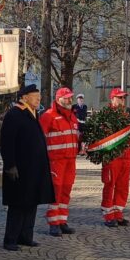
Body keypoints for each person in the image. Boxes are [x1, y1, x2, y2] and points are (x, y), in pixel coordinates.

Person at [0, 84, 55, 251]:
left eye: (39, 96)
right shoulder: (14, 114)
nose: (39, 99)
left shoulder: (32, 113)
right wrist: (10, 165)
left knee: (31, 203)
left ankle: (26, 236)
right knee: (18, 204)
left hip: (34, 169)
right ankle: (11, 239)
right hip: (20, 169)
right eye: (35, 96)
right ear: (24, 97)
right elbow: (6, 143)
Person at [39, 87, 81, 236]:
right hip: (56, 161)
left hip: (70, 160)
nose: (70, 100)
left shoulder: (72, 116)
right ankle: (53, 223)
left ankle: (62, 221)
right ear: (58, 99)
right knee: (56, 192)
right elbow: (39, 139)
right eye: (67, 98)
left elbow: (76, 136)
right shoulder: (48, 116)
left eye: (71, 97)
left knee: (66, 191)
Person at [99, 88, 130, 227]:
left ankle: (118, 213)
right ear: (112, 99)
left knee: (122, 187)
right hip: (112, 157)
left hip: (125, 158)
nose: (122, 100)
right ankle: (108, 214)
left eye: (123, 98)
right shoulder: (106, 116)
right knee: (110, 185)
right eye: (119, 97)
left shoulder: (126, 116)